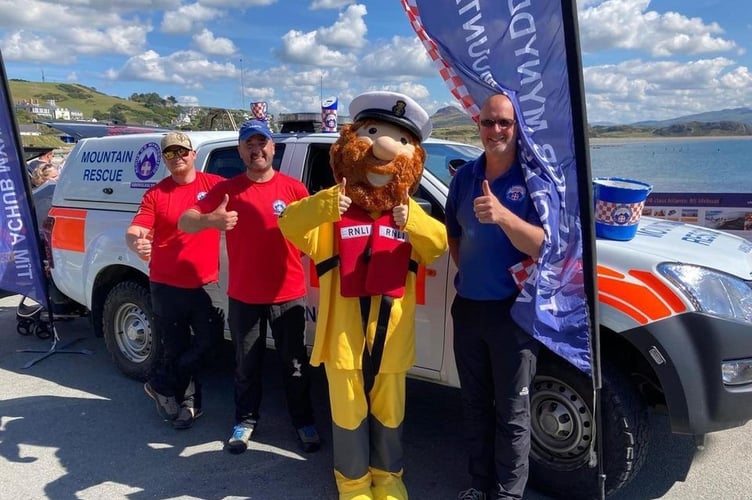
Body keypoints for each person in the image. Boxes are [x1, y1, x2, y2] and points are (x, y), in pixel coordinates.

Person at [279, 90, 447, 500]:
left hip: (390, 339)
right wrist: (323, 204)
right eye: (372, 133)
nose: (386, 147)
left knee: (390, 414)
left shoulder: (408, 211)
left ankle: (388, 479)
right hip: (343, 340)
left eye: (401, 141)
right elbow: (290, 226)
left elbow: (437, 246)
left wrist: (415, 224)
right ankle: (353, 485)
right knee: (349, 415)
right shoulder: (333, 211)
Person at [178, 119, 320, 454]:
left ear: (273, 148)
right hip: (244, 295)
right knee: (245, 365)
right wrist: (210, 220)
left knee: (295, 365)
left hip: (289, 295)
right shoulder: (227, 190)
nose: (256, 150)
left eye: (262, 143)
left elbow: (314, 233)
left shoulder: (294, 189)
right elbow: (185, 220)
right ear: (241, 151)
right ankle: (244, 421)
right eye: (249, 145)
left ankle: (303, 422)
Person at [445, 93, 545, 500]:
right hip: (469, 309)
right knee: (474, 405)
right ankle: (479, 485)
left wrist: (503, 216)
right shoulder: (465, 177)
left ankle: (507, 495)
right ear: (479, 126)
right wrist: (471, 270)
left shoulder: (533, 179)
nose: (496, 130)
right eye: (488, 122)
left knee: (513, 412)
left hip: (513, 314)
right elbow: (454, 232)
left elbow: (543, 246)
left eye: (504, 122)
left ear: (517, 127)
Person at [126, 132, 225, 430]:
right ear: (164, 160)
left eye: (182, 151)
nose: (177, 157)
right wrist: (136, 243)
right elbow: (136, 229)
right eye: (170, 154)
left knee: (210, 342)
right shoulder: (156, 194)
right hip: (166, 284)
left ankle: (161, 384)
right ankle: (188, 404)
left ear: (193, 154)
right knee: (176, 346)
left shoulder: (215, 185)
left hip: (203, 281)